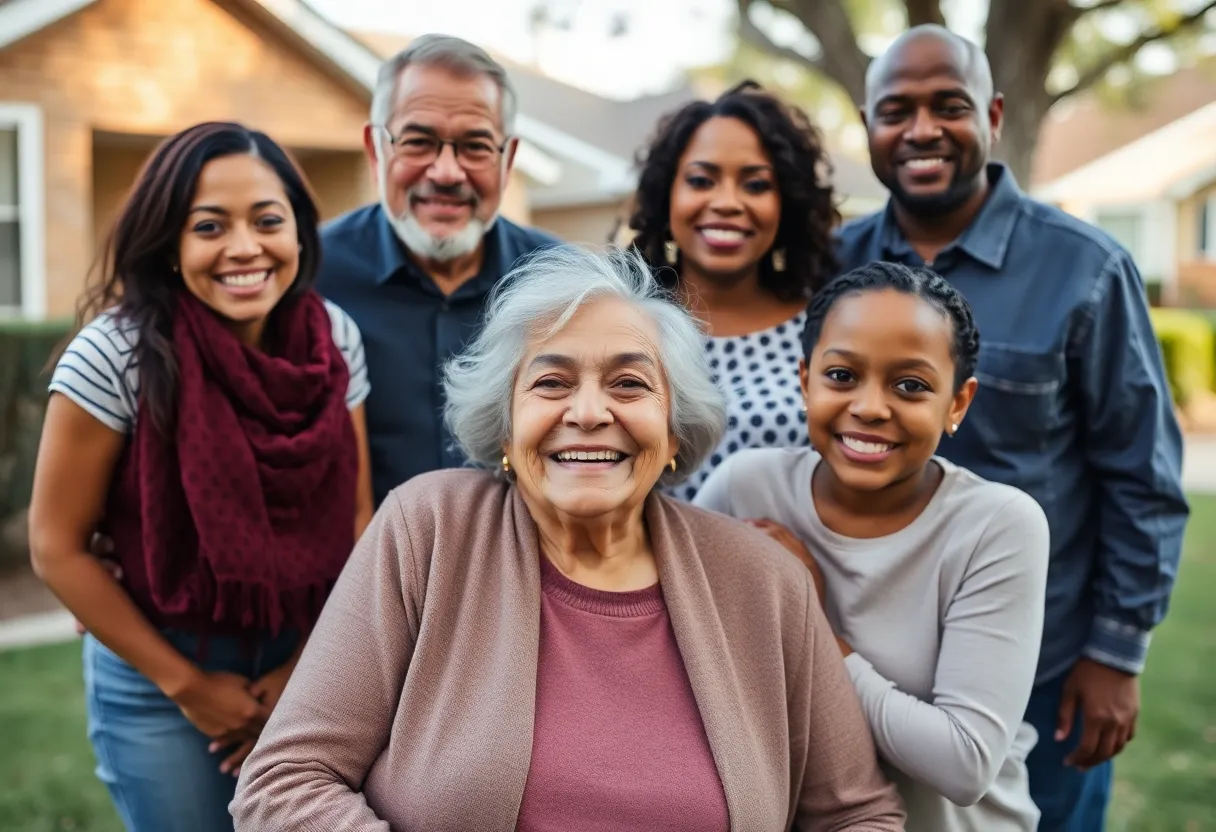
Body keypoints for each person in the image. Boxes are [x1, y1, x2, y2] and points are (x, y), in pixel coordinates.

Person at [229, 246, 907, 831]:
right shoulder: (427, 531)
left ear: (674, 432)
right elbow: (284, 783)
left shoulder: (763, 581)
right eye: (551, 382)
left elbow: (860, 815)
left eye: (629, 384)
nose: (588, 413)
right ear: (504, 426)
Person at [835, 25, 1189, 831]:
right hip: (870, 666)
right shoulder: (833, 263)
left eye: (948, 105)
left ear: (992, 114)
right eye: (896, 110)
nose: (921, 129)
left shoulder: (1086, 268)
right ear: (868, 126)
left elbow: (1142, 475)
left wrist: (1116, 653)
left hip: (1044, 669)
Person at [27, 122, 374, 832]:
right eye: (209, 225)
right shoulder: (116, 355)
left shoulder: (334, 338)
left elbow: (356, 519)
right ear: (170, 244)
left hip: (310, 652)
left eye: (267, 220)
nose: (245, 247)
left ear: (301, 234)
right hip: (162, 673)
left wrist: (309, 665)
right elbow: (55, 547)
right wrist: (188, 686)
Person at [696, 261, 1050, 831]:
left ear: (957, 403)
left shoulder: (997, 526)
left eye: (910, 385)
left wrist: (810, 618)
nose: (870, 406)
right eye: (842, 376)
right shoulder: (747, 487)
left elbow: (963, 764)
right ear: (804, 378)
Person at [318, 33, 560, 504]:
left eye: (474, 146)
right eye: (418, 141)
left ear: (507, 160)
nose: (446, 172)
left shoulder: (561, 284)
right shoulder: (309, 276)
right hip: (357, 570)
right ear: (376, 150)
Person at [628, 80, 840, 500]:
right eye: (702, 180)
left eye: (756, 184)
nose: (727, 201)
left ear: (787, 205)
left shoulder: (830, 330)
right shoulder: (623, 326)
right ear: (667, 198)